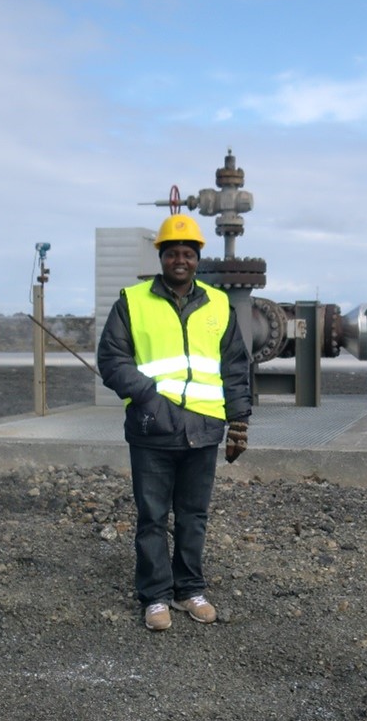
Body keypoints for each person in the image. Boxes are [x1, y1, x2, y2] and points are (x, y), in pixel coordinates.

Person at [97, 213, 252, 631]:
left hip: (203, 429)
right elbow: (112, 360)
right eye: (172, 253)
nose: (180, 260)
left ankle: (190, 590)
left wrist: (239, 423)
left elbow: (235, 367)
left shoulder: (218, 304)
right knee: (151, 516)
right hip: (152, 429)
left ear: (197, 258)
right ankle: (156, 596)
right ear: (161, 257)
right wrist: (148, 396)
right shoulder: (131, 301)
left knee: (193, 514)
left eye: (187, 253)